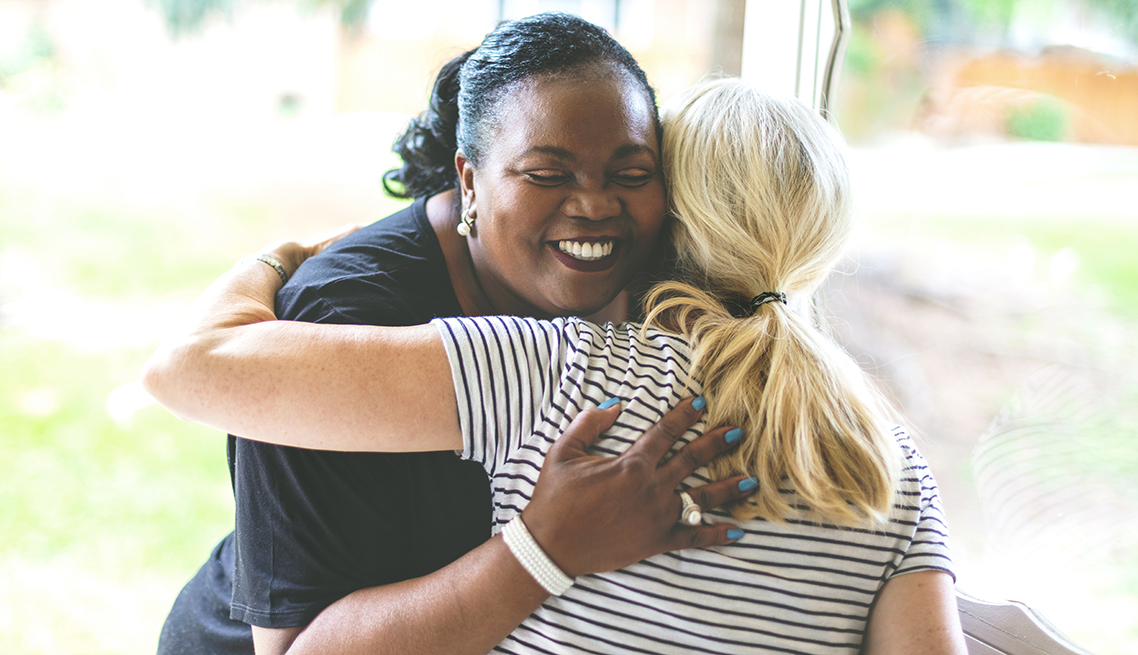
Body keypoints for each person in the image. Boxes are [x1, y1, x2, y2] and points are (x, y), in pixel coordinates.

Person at [145, 78, 968, 654]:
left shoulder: (558, 371)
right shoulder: (889, 464)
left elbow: (194, 371)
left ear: (668, 216)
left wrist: (281, 258)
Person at [156, 12, 751, 655]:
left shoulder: (647, 280)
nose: (596, 204)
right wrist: (543, 552)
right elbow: (293, 647)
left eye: (630, 175)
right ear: (469, 179)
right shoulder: (341, 316)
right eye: (548, 174)